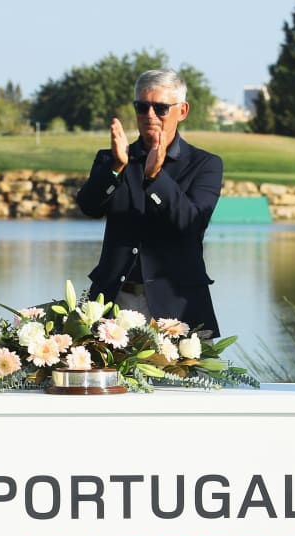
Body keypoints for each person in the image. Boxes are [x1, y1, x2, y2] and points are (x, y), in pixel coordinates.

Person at [75, 69, 222, 337]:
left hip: (179, 307)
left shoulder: (205, 164)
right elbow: (89, 206)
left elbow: (191, 223)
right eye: (142, 107)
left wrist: (156, 178)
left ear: (183, 110)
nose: (150, 116)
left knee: (185, 380)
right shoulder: (113, 159)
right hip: (115, 303)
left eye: (161, 108)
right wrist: (117, 168)